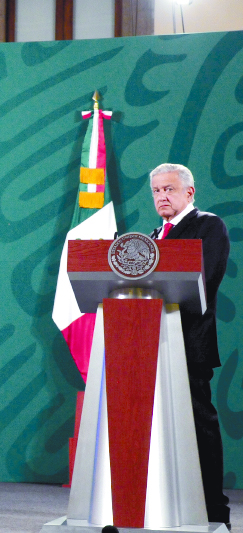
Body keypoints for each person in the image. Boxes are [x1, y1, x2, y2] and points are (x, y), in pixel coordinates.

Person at [149, 163, 231, 527]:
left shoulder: (208, 227)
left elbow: (203, 280)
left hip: (189, 345)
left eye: (169, 189)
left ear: (189, 192)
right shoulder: (152, 236)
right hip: (149, 345)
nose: (162, 197)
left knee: (199, 428)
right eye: (156, 191)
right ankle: (163, 509)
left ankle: (214, 513)